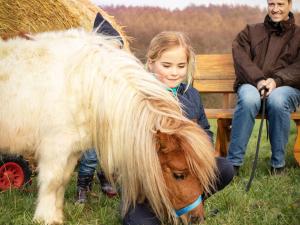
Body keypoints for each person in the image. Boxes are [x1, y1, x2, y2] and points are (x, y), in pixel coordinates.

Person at [123, 31, 234, 225]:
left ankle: (187, 201)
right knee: (137, 222)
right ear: (150, 63)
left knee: (225, 169)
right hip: (149, 182)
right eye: (166, 66)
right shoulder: (139, 97)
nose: (174, 72)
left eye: (181, 66)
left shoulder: (191, 95)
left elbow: (206, 131)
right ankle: (162, 207)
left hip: (185, 172)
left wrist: (198, 148)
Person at [227, 0, 300, 176]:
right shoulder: (250, 32)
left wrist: (277, 81)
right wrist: (259, 80)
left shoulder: (299, 34)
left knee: (277, 99)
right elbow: (241, 59)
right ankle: (232, 166)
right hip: (252, 83)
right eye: (271, 4)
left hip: (287, 87)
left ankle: (278, 165)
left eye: (280, 4)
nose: (275, 9)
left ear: (290, 5)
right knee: (249, 98)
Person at [76, 12, 123, 203]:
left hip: (113, 123)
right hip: (93, 123)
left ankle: (106, 178)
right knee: (90, 157)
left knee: (111, 155)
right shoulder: (88, 74)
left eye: (117, 50)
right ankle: (83, 186)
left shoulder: (121, 74)